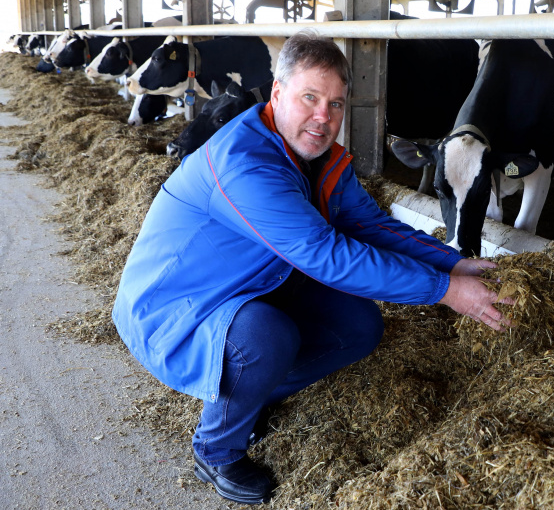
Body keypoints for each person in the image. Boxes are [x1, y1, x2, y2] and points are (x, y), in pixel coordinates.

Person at [111, 31, 513, 505]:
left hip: (254, 282)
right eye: (310, 98)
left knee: (358, 325)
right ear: (277, 93)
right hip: (176, 307)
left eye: (337, 104)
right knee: (265, 338)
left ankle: (247, 394)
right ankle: (215, 447)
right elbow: (326, 256)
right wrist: (445, 290)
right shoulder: (247, 165)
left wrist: (455, 261)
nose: (324, 118)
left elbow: (370, 225)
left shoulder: (320, 159)